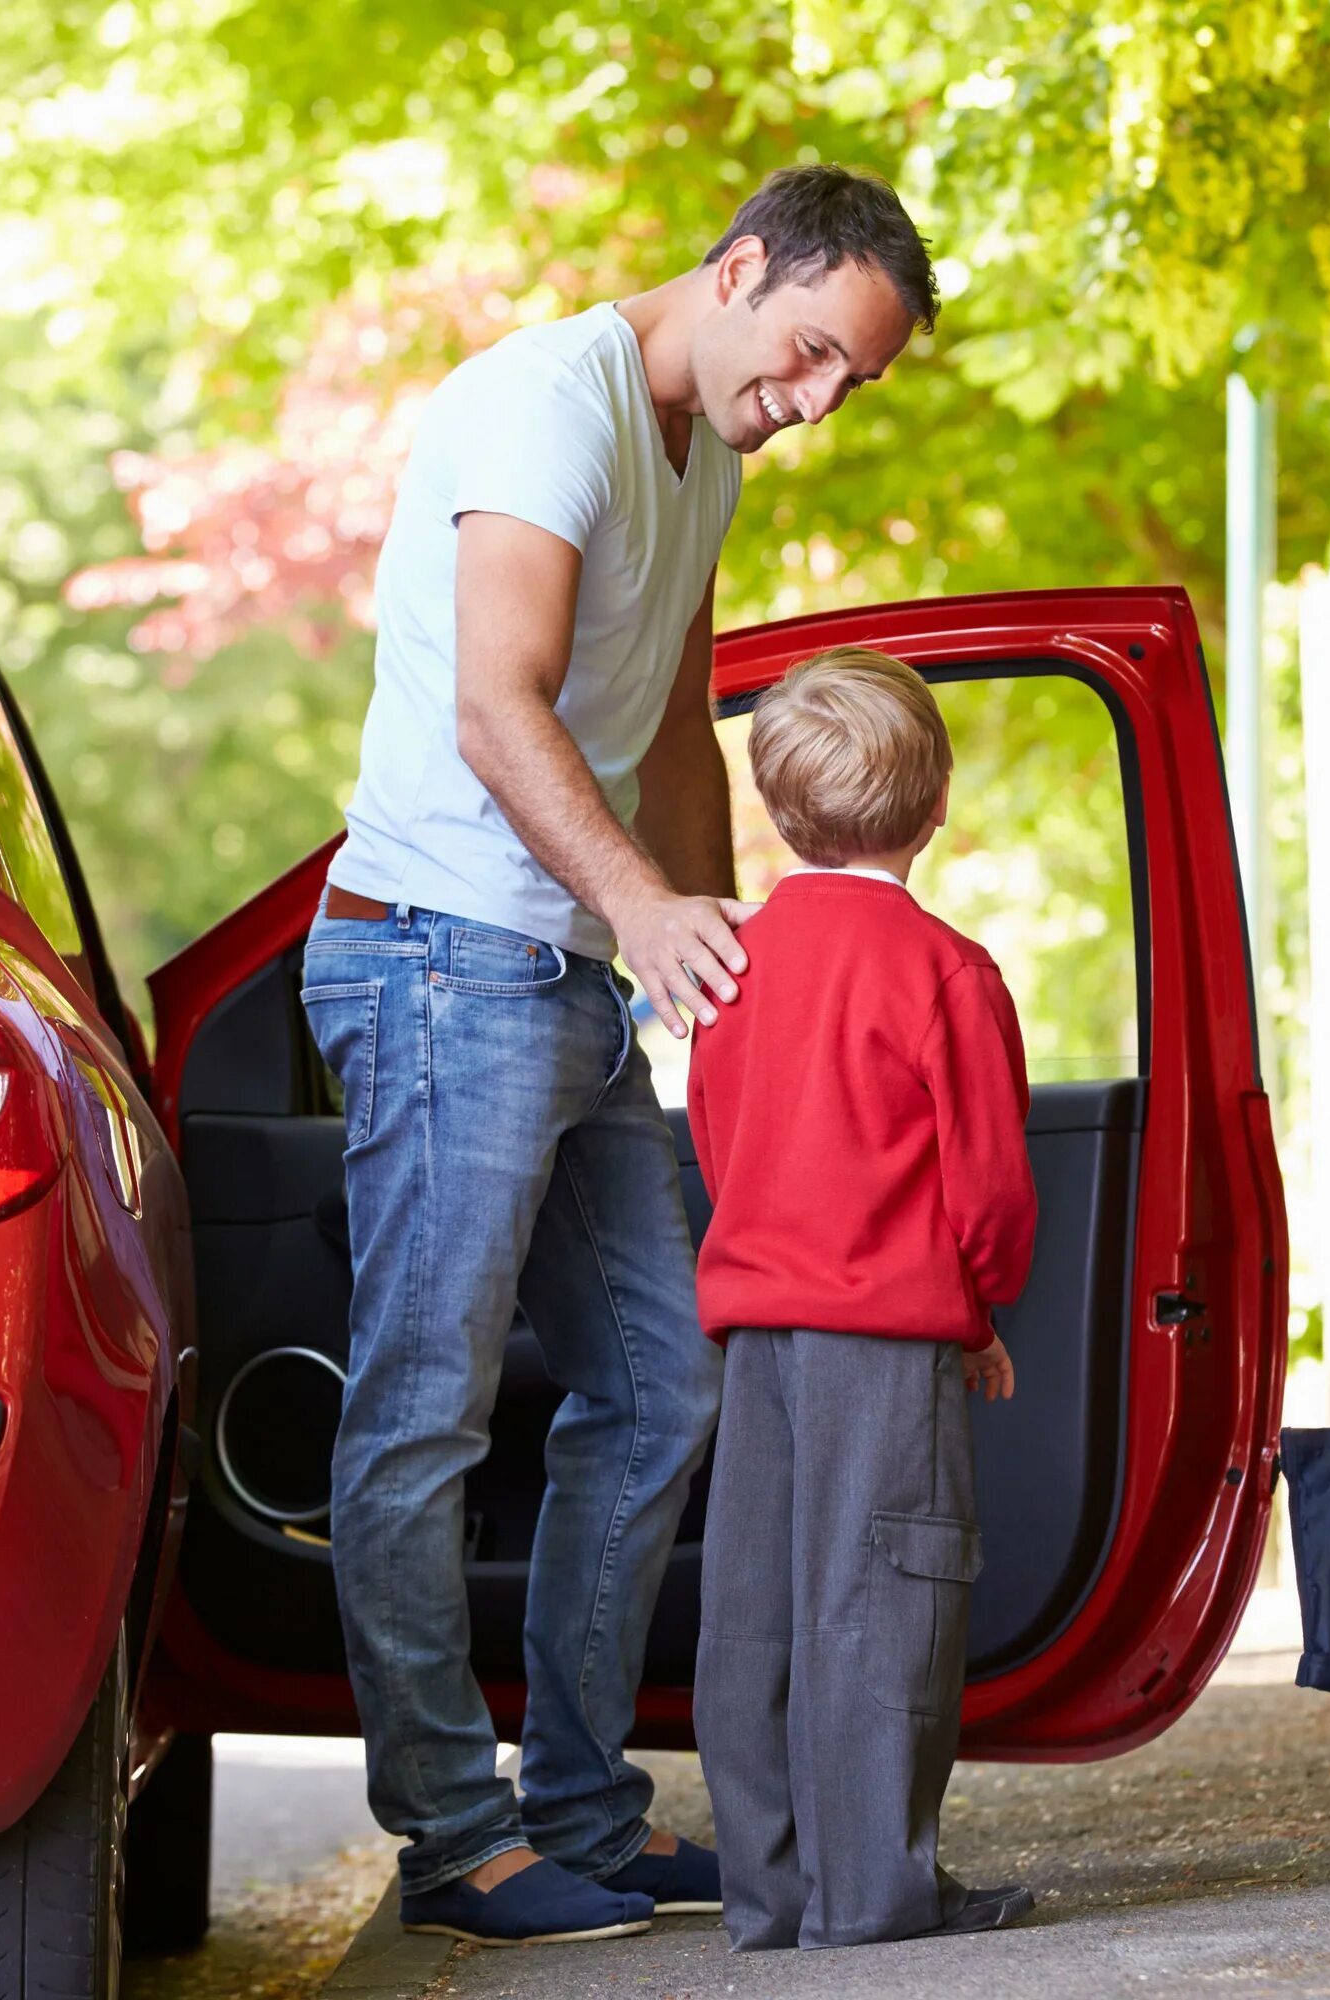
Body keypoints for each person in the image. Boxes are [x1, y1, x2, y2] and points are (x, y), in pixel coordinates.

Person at [300, 168, 935, 1948]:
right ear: (737, 270)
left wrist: (736, 964)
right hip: (439, 960)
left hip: (566, 977)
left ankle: (580, 1810)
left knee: (667, 1387)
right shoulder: (539, 404)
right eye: (810, 351)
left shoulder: (705, 453)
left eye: (849, 386)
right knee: (419, 1410)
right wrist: (647, 917)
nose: (813, 403)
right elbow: (496, 706)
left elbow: (667, 719)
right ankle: (452, 1837)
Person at [684, 648, 1041, 1949]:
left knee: (758, 1608)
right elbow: (989, 1185)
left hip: (758, 1330)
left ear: (779, 815)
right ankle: (875, 1898)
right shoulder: (947, 971)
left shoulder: (733, 961)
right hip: (887, 1338)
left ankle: (770, 1896)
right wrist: (982, 1305)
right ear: (937, 803)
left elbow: (717, 1142)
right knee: (883, 1601)